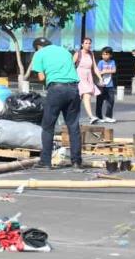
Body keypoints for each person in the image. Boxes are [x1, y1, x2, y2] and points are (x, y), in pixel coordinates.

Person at [31, 37, 82, 169]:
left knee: (48, 126)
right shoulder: (65, 51)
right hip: (74, 89)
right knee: (73, 126)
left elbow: (41, 77)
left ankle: (46, 161)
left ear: (38, 46)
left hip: (56, 89)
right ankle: (76, 161)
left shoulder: (39, 54)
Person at [73, 37, 101, 124]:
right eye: (86, 43)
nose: (88, 45)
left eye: (89, 43)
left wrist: (100, 78)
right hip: (79, 77)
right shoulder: (78, 53)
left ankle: (73, 118)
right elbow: (70, 66)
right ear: (82, 44)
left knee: (80, 99)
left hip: (88, 77)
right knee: (86, 95)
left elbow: (95, 67)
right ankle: (91, 116)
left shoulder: (91, 54)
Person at [96, 46, 116, 123]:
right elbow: (98, 72)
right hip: (101, 85)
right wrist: (104, 72)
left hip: (110, 85)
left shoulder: (112, 62)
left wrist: (105, 71)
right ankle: (99, 117)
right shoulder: (101, 62)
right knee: (99, 101)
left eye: (106, 54)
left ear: (110, 55)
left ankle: (108, 116)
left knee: (111, 101)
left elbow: (114, 70)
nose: (104, 56)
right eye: (103, 54)